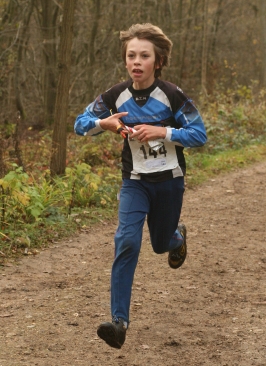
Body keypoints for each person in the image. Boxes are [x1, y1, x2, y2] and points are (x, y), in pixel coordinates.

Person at [74, 23, 207, 349]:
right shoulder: (115, 95)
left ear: (157, 61)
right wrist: (101, 124)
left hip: (169, 182)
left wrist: (163, 132)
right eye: (130, 55)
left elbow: (200, 135)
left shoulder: (172, 96)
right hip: (134, 182)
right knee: (127, 241)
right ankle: (118, 323)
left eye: (143, 56)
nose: (136, 61)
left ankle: (176, 237)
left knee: (160, 245)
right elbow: (80, 124)